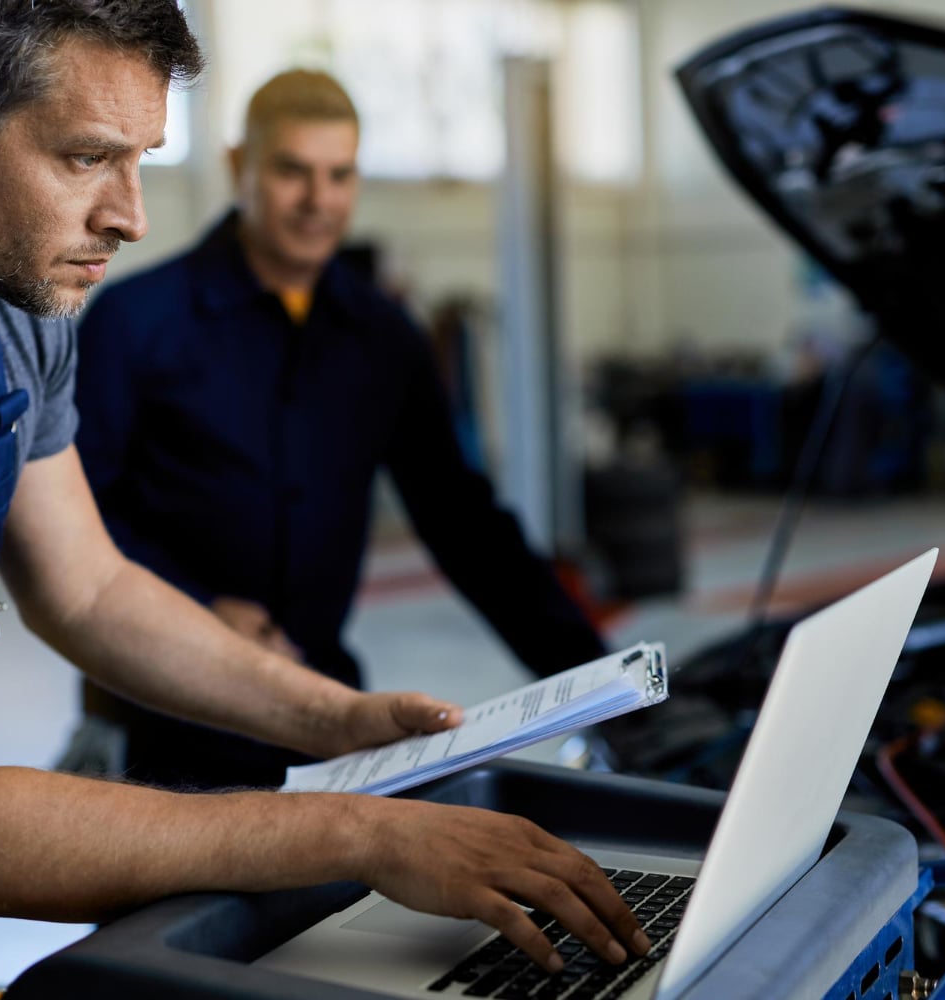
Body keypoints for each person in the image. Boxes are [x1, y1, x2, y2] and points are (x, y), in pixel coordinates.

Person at [0, 4, 647, 997]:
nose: (130, 215)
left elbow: (89, 590)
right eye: (86, 157)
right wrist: (358, 832)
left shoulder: (7, 299)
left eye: (141, 159)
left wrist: (340, 724)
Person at [73, 69, 607, 790]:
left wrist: (602, 683)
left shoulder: (384, 338)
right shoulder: (136, 323)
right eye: (293, 171)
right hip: (165, 722)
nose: (318, 201)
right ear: (240, 167)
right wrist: (197, 612)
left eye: (340, 175)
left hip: (326, 723)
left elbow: (464, 523)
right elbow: (80, 519)